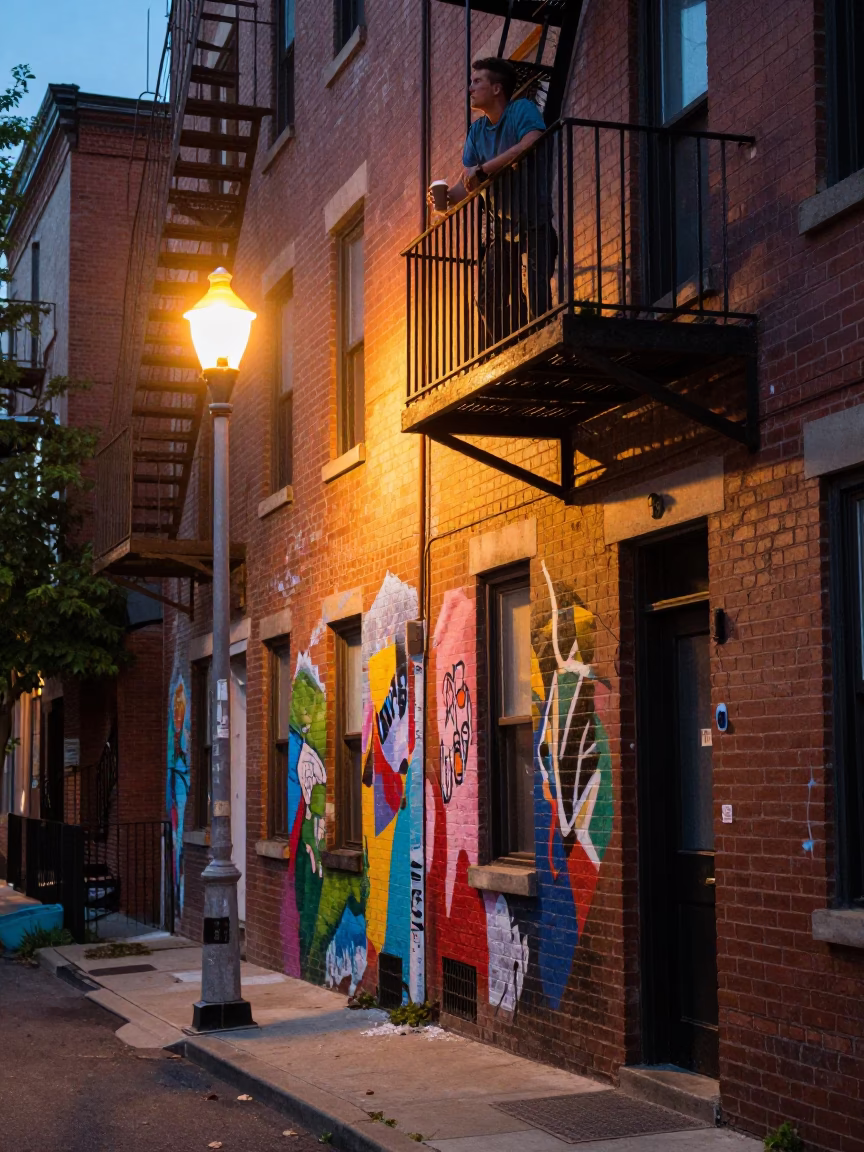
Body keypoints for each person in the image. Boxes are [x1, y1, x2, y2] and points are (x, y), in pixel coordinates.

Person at [431, 57, 557, 347]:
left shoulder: (521, 111)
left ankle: (539, 346)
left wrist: (486, 169)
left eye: (477, 82)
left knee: (538, 296)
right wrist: (447, 199)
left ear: (497, 88)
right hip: (501, 231)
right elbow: (470, 182)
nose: (470, 88)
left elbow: (532, 141)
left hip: (534, 222)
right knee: (488, 300)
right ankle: (512, 350)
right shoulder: (476, 132)